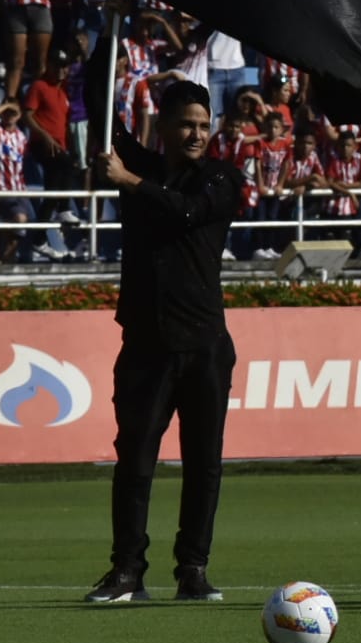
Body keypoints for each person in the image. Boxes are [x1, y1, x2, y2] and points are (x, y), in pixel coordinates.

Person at [84, 81, 243, 605]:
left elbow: (188, 212)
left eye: (204, 123)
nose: (197, 133)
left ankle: (193, 569)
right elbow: (100, 98)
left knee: (205, 463)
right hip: (147, 345)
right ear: (164, 125)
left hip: (205, 345)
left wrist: (128, 181)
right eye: (186, 124)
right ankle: (127, 571)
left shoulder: (222, 176)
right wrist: (110, 24)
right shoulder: (143, 166)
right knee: (134, 461)